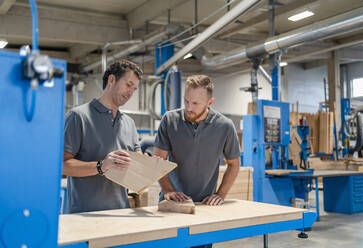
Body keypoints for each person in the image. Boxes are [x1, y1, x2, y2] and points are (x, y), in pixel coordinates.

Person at [63, 60, 143, 214]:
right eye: (128, 85)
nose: (130, 93)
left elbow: (136, 163)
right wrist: (101, 166)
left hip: (120, 213)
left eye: (134, 89)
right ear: (111, 80)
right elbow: (63, 165)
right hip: (83, 215)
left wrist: (150, 165)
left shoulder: (129, 123)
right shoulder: (78, 116)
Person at [154, 74, 241, 208]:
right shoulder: (169, 120)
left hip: (205, 204)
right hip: (172, 202)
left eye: (195, 103)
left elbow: (234, 164)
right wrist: (168, 190)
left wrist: (220, 195)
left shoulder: (225, 126)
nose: (189, 108)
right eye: (186, 101)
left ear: (209, 102)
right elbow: (158, 161)